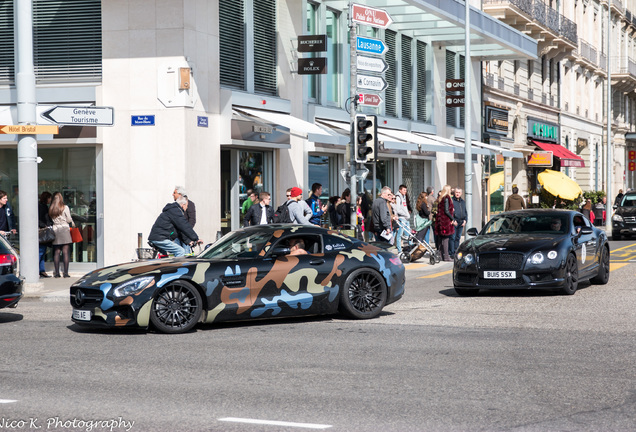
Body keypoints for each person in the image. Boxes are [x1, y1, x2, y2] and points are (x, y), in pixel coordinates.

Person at [49, 192, 74, 278]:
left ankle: (56, 273)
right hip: (64, 229)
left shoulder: (51, 208)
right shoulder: (65, 207)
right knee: (65, 252)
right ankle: (66, 273)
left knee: (56, 252)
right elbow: (69, 219)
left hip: (55, 229)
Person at [434, 185, 455, 261]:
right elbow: (447, 211)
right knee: (446, 239)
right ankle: (446, 256)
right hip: (445, 221)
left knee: (440, 239)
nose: (451, 190)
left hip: (440, 220)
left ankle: (440, 255)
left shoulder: (441, 198)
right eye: (450, 189)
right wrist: (452, 218)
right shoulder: (447, 198)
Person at [38, 191, 53, 278]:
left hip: (43, 230)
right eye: (49, 198)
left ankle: (42, 270)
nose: (50, 200)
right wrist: (45, 225)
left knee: (42, 252)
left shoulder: (43, 206)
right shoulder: (42, 207)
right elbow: (39, 219)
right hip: (42, 231)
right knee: (41, 251)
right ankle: (39, 270)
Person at [394, 185, 411, 254]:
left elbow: (405, 207)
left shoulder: (404, 197)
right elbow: (398, 209)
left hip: (406, 219)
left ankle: (411, 248)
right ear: (400, 190)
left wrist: (407, 215)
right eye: (404, 190)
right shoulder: (398, 197)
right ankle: (399, 250)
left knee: (409, 235)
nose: (405, 191)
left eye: (406, 190)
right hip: (402, 218)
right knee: (400, 235)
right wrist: (405, 214)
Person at [450, 187, 467, 257]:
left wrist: (465, 220)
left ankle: (456, 251)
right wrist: (453, 220)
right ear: (454, 192)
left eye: (459, 192)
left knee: (458, 238)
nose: (457, 194)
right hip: (454, 222)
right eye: (456, 192)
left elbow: (465, 212)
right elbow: (450, 212)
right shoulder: (452, 201)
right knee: (452, 238)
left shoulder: (463, 202)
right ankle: (451, 252)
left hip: (461, 222)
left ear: (461, 193)